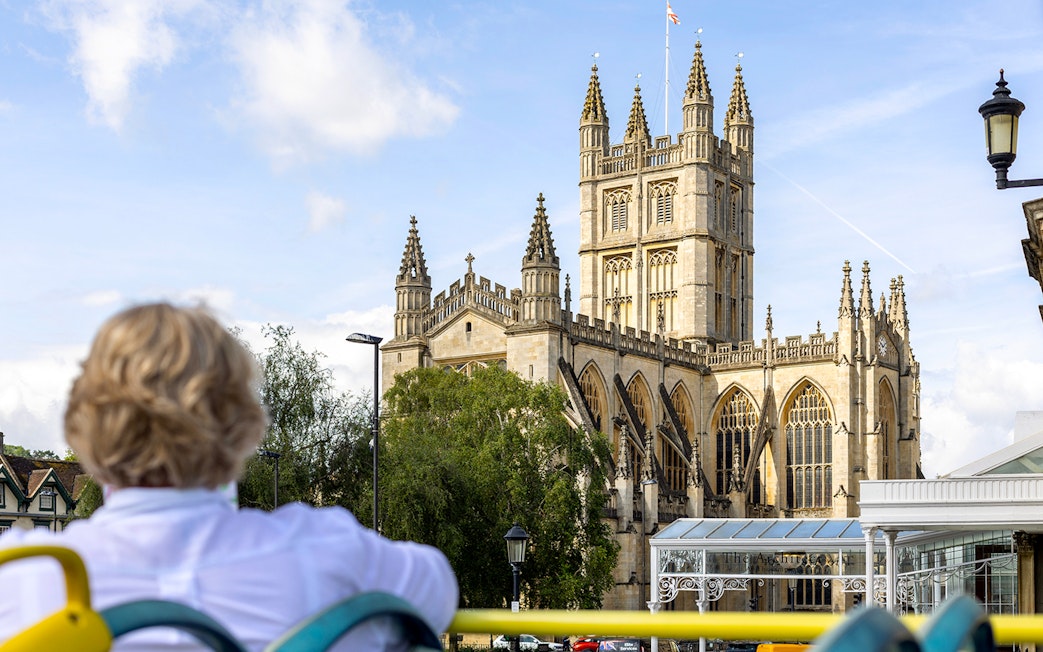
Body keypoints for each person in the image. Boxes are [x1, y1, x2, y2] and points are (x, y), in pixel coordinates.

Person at [0, 302, 458, 650]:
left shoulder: (23, 574)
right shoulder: (325, 548)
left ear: (84, 428)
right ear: (244, 427)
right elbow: (438, 589)